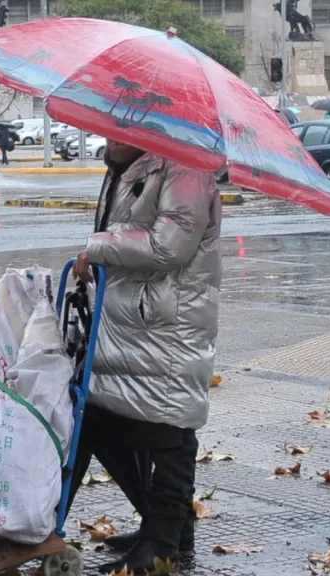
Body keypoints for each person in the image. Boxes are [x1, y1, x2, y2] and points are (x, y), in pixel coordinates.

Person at [70, 139, 221, 573]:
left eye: (123, 122)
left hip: (169, 322)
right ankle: (169, 525)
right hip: (131, 320)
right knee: (102, 421)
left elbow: (168, 246)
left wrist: (96, 248)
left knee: (169, 428)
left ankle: (162, 543)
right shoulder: (130, 164)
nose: (111, 133)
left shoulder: (186, 166)